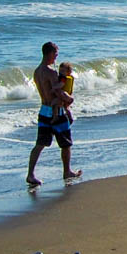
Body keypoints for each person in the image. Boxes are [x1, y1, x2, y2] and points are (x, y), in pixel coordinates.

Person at [27, 41, 82, 187]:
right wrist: (69, 99)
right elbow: (57, 91)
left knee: (40, 144)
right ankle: (67, 171)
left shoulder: (37, 71)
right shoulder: (50, 72)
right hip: (55, 110)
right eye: (56, 54)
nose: (56, 58)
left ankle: (30, 174)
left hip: (44, 110)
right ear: (50, 53)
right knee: (65, 143)